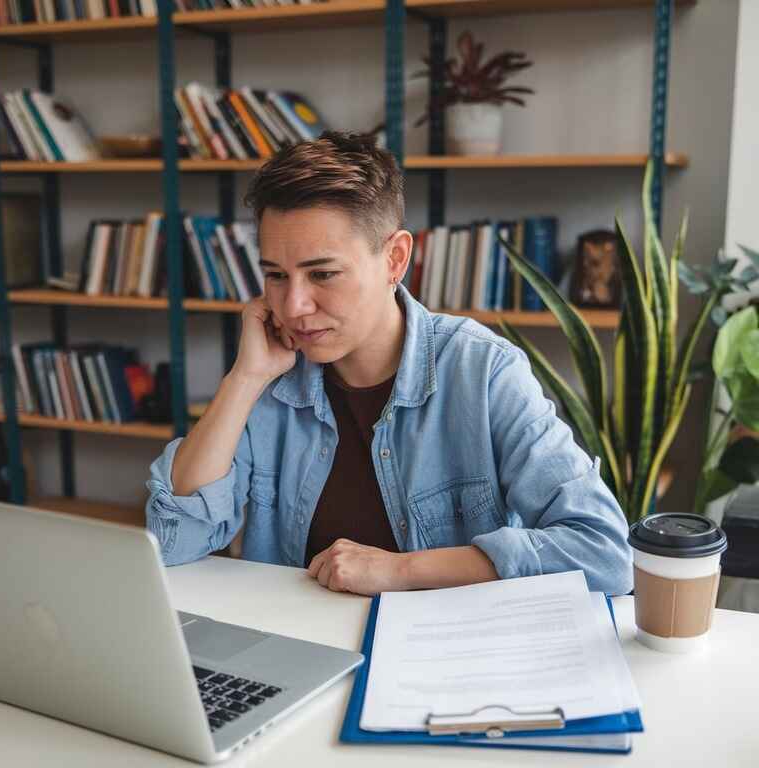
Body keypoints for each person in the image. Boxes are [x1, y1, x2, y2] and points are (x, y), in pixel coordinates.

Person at [146, 131, 633, 597]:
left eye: (323, 273)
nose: (292, 306)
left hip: (444, 656)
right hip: (305, 652)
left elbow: (603, 552)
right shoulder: (269, 376)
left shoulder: (483, 370)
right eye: (275, 275)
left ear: (396, 259)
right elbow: (173, 542)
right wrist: (244, 379)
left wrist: (401, 570)